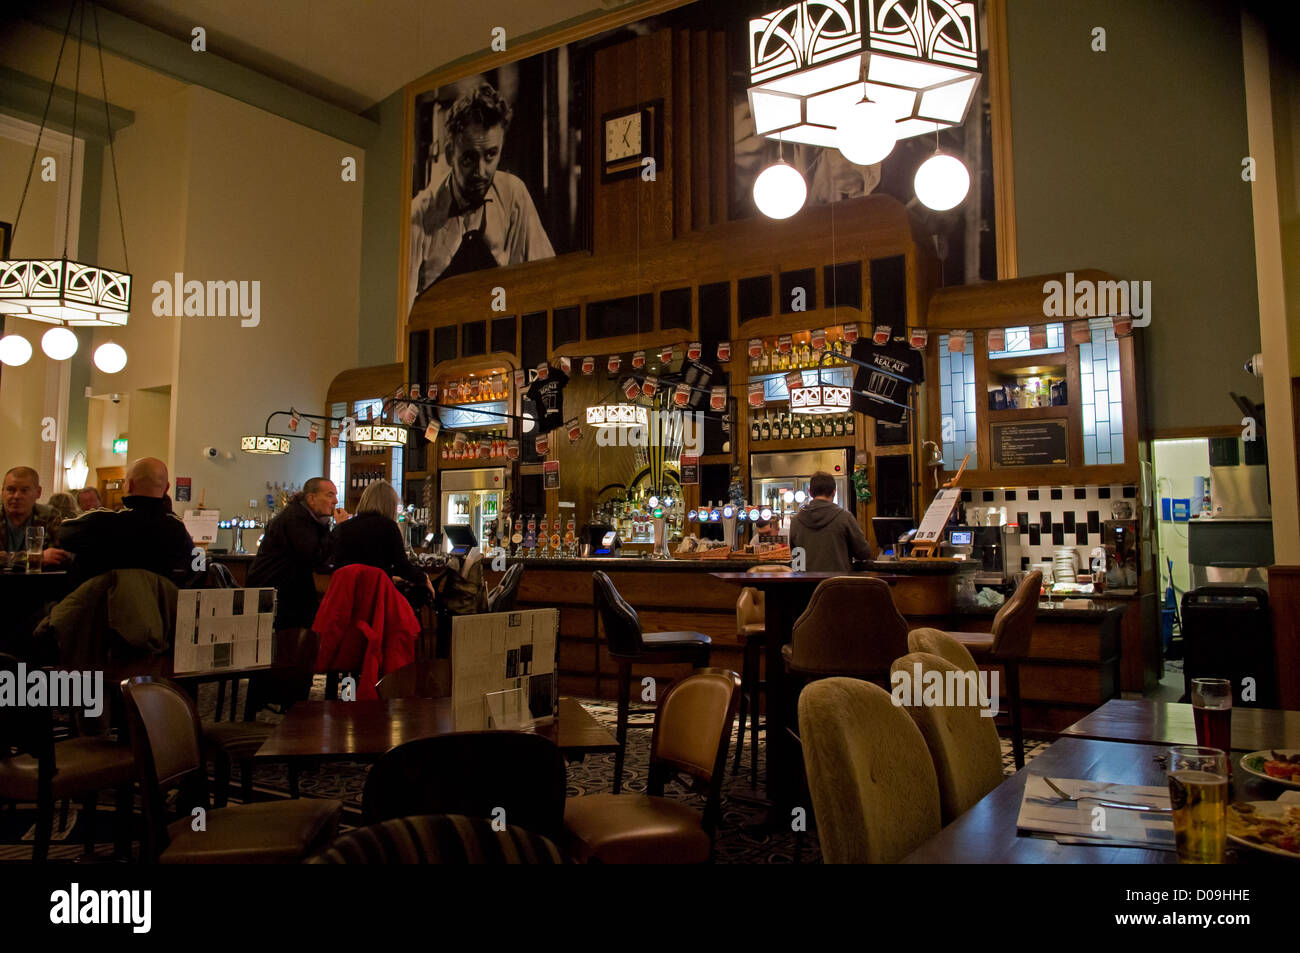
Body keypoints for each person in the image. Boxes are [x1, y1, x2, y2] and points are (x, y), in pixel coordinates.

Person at [408, 81, 554, 308]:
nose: (480, 171)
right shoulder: (418, 215)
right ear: (449, 154)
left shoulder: (514, 195)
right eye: (469, 158)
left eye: (490, 155)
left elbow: (546, 282)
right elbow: (402, 316)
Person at [58, 457, 194, 584]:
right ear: (167, 488)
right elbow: (194, 565)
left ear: (129, 485)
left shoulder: (102, 522)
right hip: (156, 607)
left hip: (101, 606)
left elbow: (63, 534)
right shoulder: (177, 529)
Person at [248, 477, 348, 629]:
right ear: (311, 499)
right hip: (275, 592)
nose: (335, 501)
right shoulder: (296, 519)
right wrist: (340, 528)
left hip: (286, 589)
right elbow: (315, 556)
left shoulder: (307, 518)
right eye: (329, 495)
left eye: (335, 495)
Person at [332, 481, 434, 606]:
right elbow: (402, 567)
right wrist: (424, 577)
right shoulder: (388, 527)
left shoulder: (342, 528)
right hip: (376, 598)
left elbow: (347, 565)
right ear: (390, 504)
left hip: (346, 597)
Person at [788, 471, 872, 572]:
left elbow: (796, 557)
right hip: (837, 585)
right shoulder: (845, 517)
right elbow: (863, 553)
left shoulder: (796, 520)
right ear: (834, 491)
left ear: (810, 492)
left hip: (807, 586)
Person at [2, 467, 69, 568]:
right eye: (11, 490)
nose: (16, 496)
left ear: (38, 492)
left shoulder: (50, 516)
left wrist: (9, 558)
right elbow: (46, 557)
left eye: (24, 491)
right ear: (2, 492)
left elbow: (61, 555)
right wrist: (37, 558)